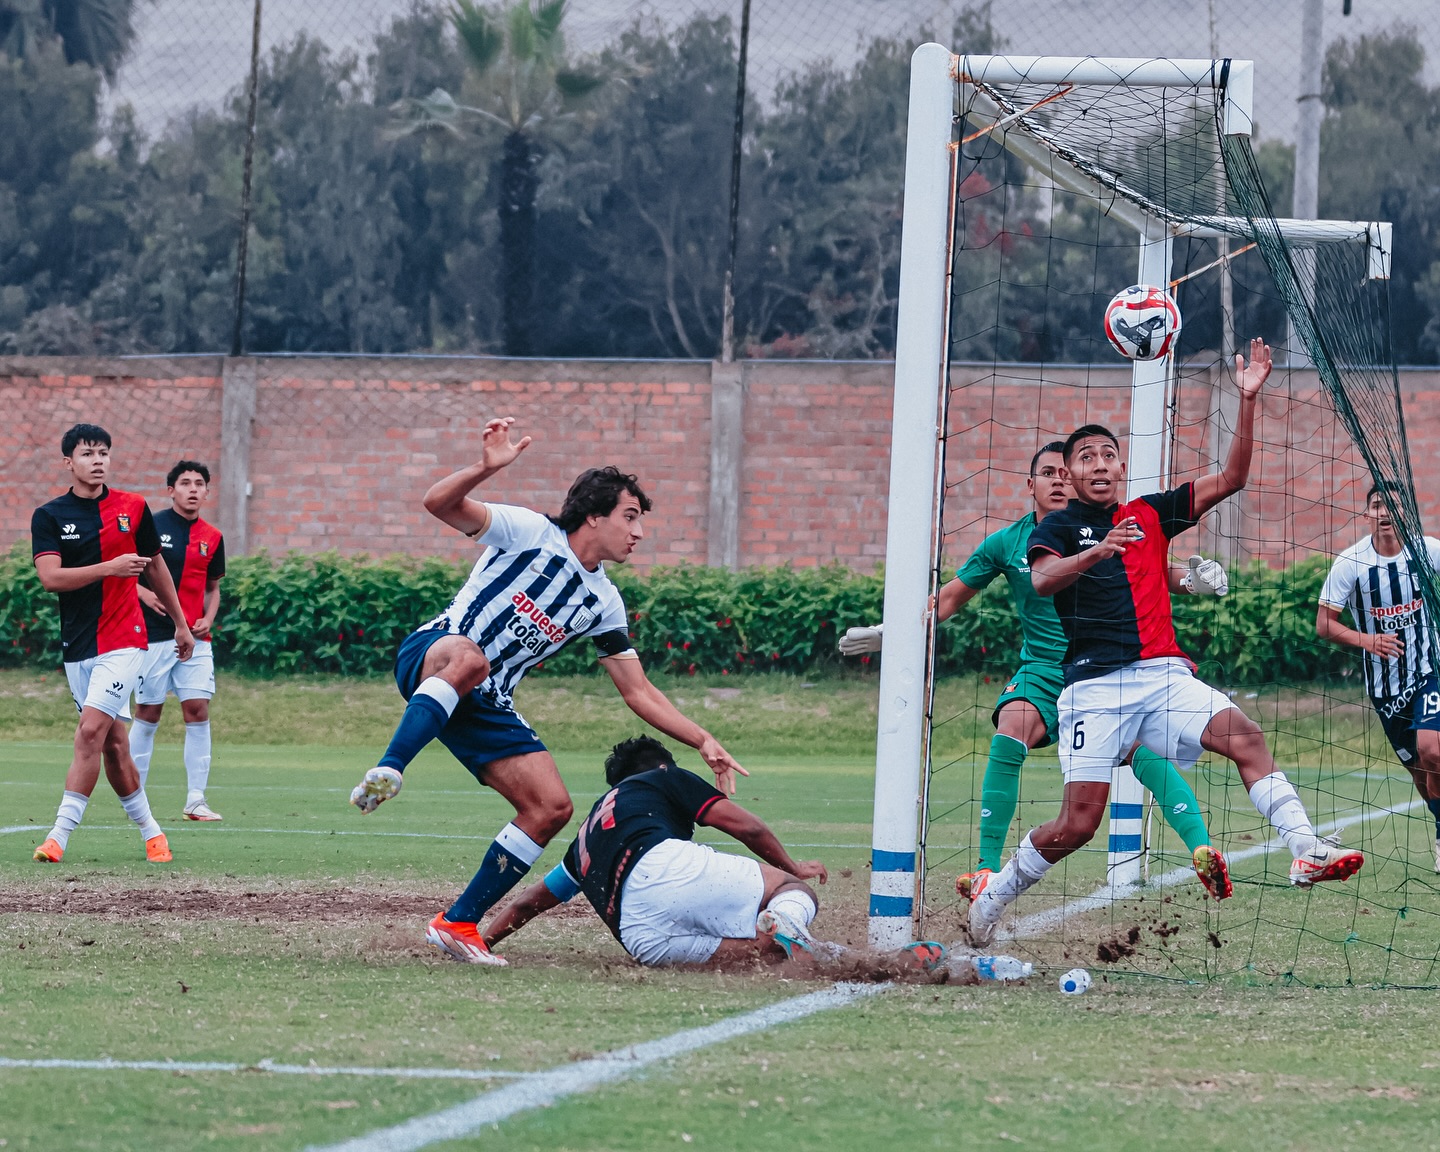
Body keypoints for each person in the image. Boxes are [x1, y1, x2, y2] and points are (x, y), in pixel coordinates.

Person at [969, 341, 1365, 944]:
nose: (1100, 464)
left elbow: (1233, 477)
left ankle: (1305, 848)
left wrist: (1250, 399)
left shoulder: (1152, 513)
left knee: (1247, 738)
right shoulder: (1054, 527)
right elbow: (1046, 580)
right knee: (1078, 825)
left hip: (1161, 677)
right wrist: (1099, 549)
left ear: (1119, 467)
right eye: (1086, 458)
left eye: (1109, 454)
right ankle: (993, 897)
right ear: (1070, 474)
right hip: (1093, 690)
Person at [349, 417, 747, 966]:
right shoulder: (529, 531)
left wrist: (703, 738)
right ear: (593, 516)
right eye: (629, 517)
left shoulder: (604, 601)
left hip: (487, 700)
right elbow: (438, 503)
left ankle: (458, 923)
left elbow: (637, 691)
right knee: (471, 658)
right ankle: (391, 767)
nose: (638, 532)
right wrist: (485, 469)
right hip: (435, 656)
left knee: (551, 807)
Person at [839, 442, 1233, 901]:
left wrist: (1190, 579)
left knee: (1141, 751)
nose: (1059, 481)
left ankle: (1202, 848)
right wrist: (894, 633)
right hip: (1045, 671)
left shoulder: (1108, 526)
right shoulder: (1006, 543)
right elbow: (946, 599)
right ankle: (985, 869)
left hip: (1107, 671)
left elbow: (1148, 573)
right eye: (1048, 474)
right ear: (1031, 485)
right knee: (1012, 726)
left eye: (1064, 472)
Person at [480, 736, 860, 968]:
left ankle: (835, 956)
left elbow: (528, 904)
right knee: (791, 891)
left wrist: (481, 944)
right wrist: (790, 866)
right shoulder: (662, 776)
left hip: (641, 937)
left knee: (769, 952)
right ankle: (788, 917)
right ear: (662, 766)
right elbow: (748, 827)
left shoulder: (585, 837)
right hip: (665, 868)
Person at [30, 424, 195, 864]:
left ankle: (57, 837)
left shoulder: (132, 508)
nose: (97, 460)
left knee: (88, 731)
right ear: (69, 461)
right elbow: (50, 579)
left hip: (126, 640)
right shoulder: (48, 516)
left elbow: (155, 567)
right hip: (78, 646)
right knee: (113, 744)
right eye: (87, 454)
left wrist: (180, 623)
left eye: (104, 452)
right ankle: (153, 833)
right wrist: (111, 567)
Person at [1316, 481, 1440, 873]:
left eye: (1392, 506)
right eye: (1376, 505)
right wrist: (1367, 640)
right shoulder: (1351, 564)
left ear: (1405, 513)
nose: (1384, 513)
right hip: (1385, 690)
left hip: (1428, 671)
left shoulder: (1429, 551)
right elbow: (1324, 624)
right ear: (1367, 513)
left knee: (1432, 750)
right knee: (1420, 774)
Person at [129, 460, 226, 821]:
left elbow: (213, 588)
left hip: (198, 640)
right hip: (153, 636)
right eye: (184, 483)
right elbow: (126, 569)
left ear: (206, 491)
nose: (192, 488)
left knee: (197, 709)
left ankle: (196, 800)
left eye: (199, 483)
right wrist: (142, 592)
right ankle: (134, 796)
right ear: (171, 490)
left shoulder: (213, 537)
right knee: (148, 712)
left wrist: (208, 618)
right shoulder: (150, 526)